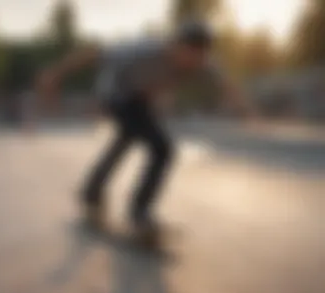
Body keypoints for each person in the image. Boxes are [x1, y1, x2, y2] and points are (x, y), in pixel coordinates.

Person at [38, 21, 259, 235]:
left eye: (199, 56)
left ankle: (91, 192)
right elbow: (94, 53)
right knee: (162, 148)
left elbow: (226, 83)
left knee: (126, 139)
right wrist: (55, 74)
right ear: (175, 45)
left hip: (140, 100)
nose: (191, 63)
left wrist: (246, 110)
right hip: (114, 94)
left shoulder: (202, 62)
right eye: (189, 54)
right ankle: (139, 212)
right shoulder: (142, 50)